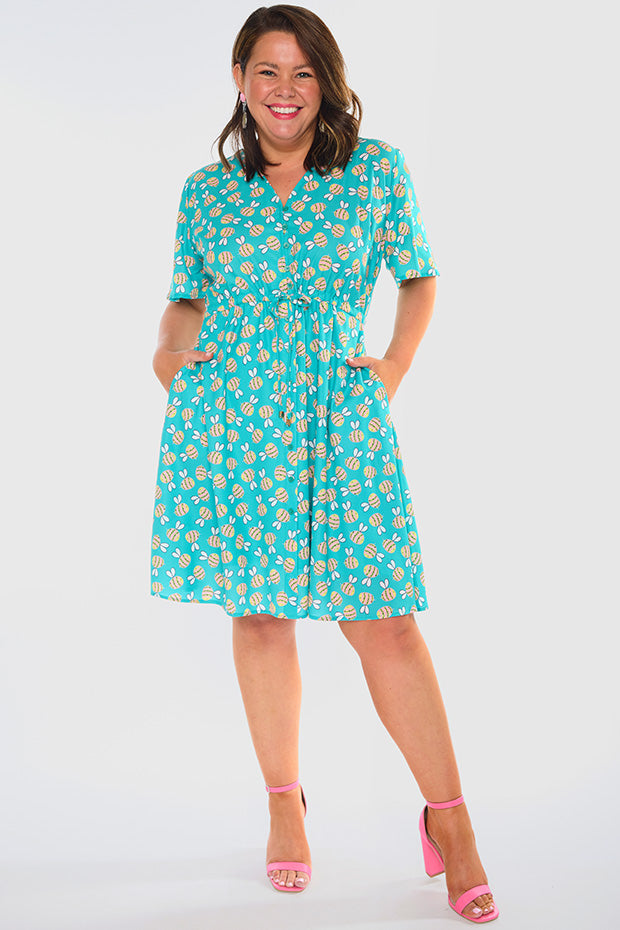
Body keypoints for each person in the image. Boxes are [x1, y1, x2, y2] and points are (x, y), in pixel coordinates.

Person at [150, 4, 498, 923]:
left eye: (303, 72)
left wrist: (393, 367)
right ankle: (284, 804)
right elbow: (185, 298)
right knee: (261, 615)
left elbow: (418, 275)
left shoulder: (374, 171)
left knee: (386, 624)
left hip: (342, 419)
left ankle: (452, 821)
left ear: (326, 83)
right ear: (240, 82)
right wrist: (166, 351)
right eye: (267, 71)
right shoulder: (207, 193)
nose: (285, 90)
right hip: (235, 420)